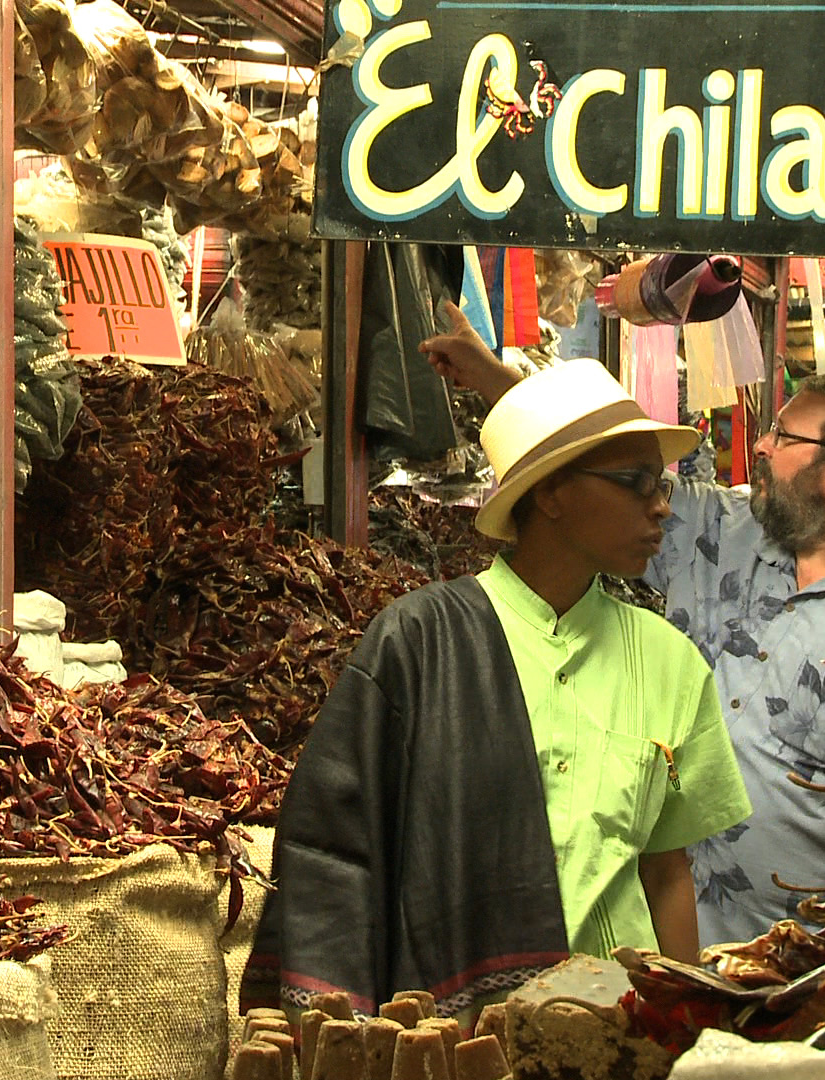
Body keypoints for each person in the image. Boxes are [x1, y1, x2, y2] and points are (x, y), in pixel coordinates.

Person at [421, 301, 825, 948]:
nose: (759, 443)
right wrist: (493, 379)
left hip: (819, 969)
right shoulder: (727, 533)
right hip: (663, 947)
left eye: (783, 437)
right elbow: (588, 470)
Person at [241, 359, 751, 1020]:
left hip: (619, 1031)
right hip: (458, 1035)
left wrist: (688, 1027)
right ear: (550, 494)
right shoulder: (419, 642)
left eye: (663, 486)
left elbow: (665, 870)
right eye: (635, 482)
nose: (660, 506)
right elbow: (336, 852)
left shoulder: (671, 661)